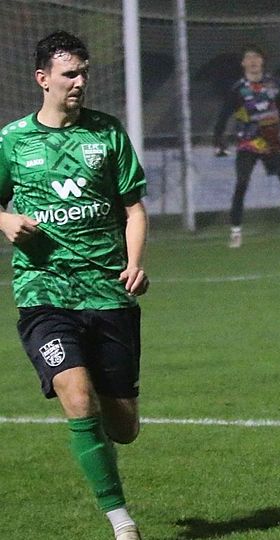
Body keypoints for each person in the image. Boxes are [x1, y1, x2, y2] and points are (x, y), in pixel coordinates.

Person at [0, 31, 149, 540]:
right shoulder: (12, 140)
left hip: (108, 291)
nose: (80, 82)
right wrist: (4, 221)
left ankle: (110, 438)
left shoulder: (106, 134)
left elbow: (133, 208)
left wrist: (134, 263)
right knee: (75, 393)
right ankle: (121, 521)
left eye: (84, 72)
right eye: (70, 74)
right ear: (43, 79)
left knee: (122, 426)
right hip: (43, 292)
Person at [213, 45, 280, 248]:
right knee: (242, 183)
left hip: (273, 143)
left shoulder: (274, 85)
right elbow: (224, 115)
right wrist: (218, 140)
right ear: (243, 63)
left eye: (256, 57)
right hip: (248, 142)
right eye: (249, 58)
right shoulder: (238, 89)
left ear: (262, 61)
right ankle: (235, 232)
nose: (253, 61)